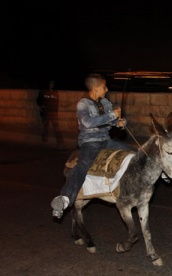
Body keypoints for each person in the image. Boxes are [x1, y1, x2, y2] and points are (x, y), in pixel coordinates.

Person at [50, 73, 134, 219]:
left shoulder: (105, 103)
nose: (106, 89)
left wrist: (120, 123)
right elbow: (87, 122)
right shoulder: (83, 104)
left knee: (133, 154)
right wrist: (112, 116)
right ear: (95, 88)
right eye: (104, 87)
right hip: (90, 141)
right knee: (83, 164)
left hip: (106, 139)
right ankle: (63, 199)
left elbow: (111, 122)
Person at [36, 80, 65, 149]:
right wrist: (42, 105)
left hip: (53, 113)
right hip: (45, 113)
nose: (52, 84)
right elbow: (38, 100)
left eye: (53, 83)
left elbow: (57, 104)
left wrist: (56, 114)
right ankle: (44, 139)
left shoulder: (55, 92)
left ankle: (60, 143)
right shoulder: (43, 91)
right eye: (51, 83)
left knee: (56, 128)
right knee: (46, 127)